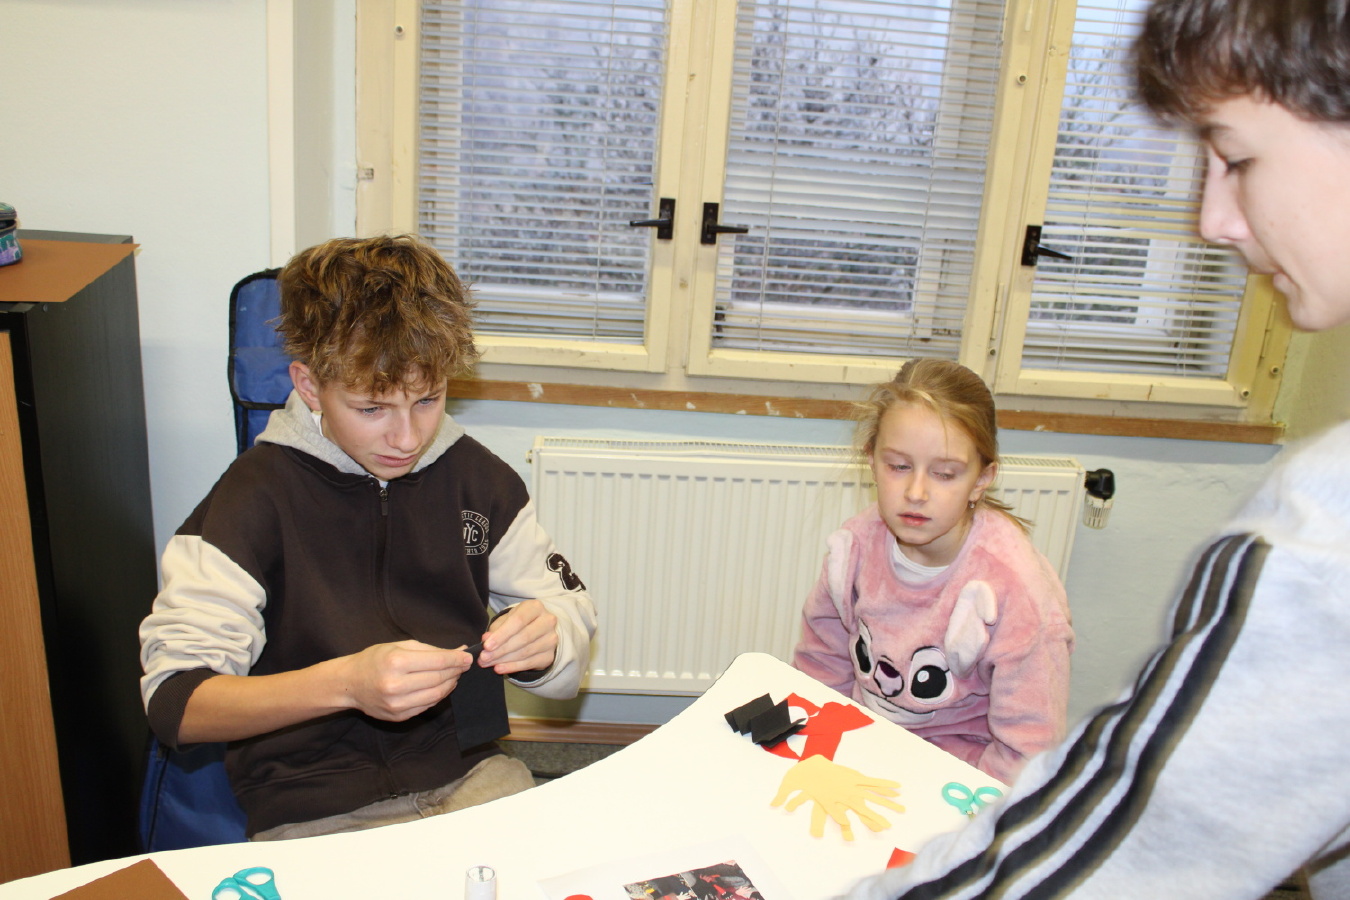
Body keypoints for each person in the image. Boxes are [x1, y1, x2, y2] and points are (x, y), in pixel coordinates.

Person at [845, 1, 1350, 897]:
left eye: (1235, 158)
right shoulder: (853, 547)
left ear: (984, 477)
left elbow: (1104, 841)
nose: (1212, 220)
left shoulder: (1322, 543)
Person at [139, 234, 597, 840]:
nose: (407, 439)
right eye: (372, 409)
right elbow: (176, 704)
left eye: (428, 400)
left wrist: (549, 643)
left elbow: (568, 637)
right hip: (311, 803)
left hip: (470, 775)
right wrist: (346, 686)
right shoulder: (251, 499)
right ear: (309, 386)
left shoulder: (478, 479)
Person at [793, 358, 1073, 785]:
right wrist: (819, 755)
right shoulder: (856, 545)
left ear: (981, 479)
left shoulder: (1017, 591)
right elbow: (821, 665)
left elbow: (1027, 750)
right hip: (862, 747)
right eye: (898, 466)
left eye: (944, 473)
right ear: (871, 460)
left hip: (957, 778)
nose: (916, 492)